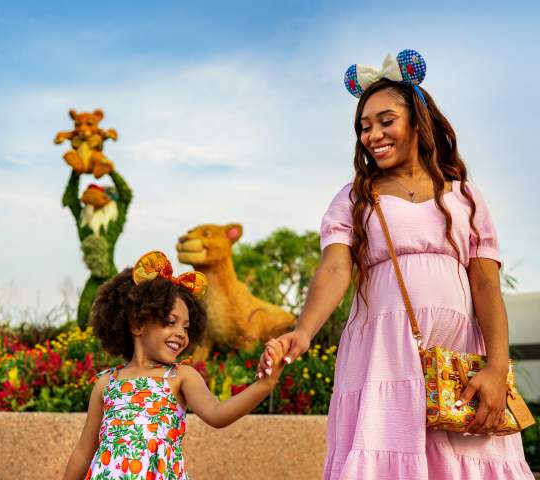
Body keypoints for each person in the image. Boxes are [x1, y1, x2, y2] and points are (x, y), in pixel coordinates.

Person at [259, 50, 533, 478]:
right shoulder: (355, 197)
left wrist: (498, 367)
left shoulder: (465, 197)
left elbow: (485, 285)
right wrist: (304, 330)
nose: (373, 135)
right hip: (383, 355)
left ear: (419, 122)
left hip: (461, 353)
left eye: (386, 121)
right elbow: (334, 269)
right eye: (364, 127)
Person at [63, 251, 285, 480]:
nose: (181, 333)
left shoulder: (180, 377)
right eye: (171, 322)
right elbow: (83, 452)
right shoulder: (107, 382)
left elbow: (217, 414)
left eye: (186, 327)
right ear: (137, 323)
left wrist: (265, 384)